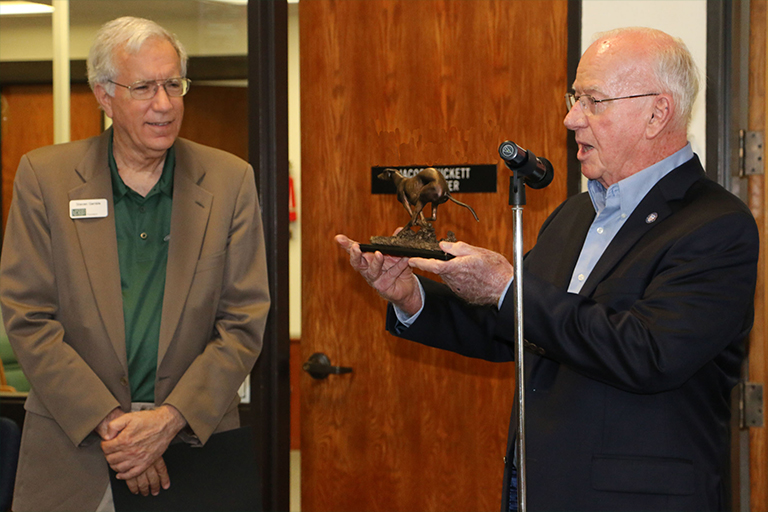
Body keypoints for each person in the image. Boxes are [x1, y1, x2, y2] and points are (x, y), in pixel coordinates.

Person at [336, 27, 759, 511]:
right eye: (574, 98)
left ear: (657, 113)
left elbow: (649, 353)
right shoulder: (575, 215)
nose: (571, 118)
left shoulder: (715, 225)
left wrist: (508, 287)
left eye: (593, 101)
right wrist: (412, 297)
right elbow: (517, 326)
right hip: (536, 488)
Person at [0, 16, 270, 512]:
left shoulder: (230, 181)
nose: (164, 104)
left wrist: (167, 420)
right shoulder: (46, 178)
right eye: (144, 87)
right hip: (73, 449)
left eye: (173, 84)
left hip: (194, 441)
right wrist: (119, 430)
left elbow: (243, 319)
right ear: (104, 95)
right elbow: (27, 316)